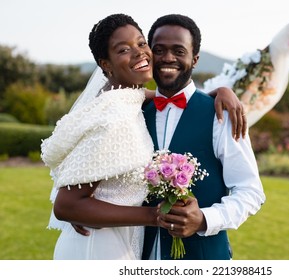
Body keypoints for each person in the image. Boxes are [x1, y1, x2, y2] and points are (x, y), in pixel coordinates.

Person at [41, 14, 245, 260]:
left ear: (195, 58)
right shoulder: (113, 115)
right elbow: (68, 203)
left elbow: (250, 192)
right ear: (105, 64)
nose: (142, 53)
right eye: (124, 49)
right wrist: (151, 215)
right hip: (102, 246)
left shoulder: (214, 113)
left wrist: (215, 94)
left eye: (140, 44)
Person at [141, 14, 266, 260]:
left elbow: (250, 192)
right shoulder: (137, 113)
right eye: (159, 50)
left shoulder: (221, 114)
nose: (167, 58)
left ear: (194, 59)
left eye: (178, 50)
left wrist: (205, 219)